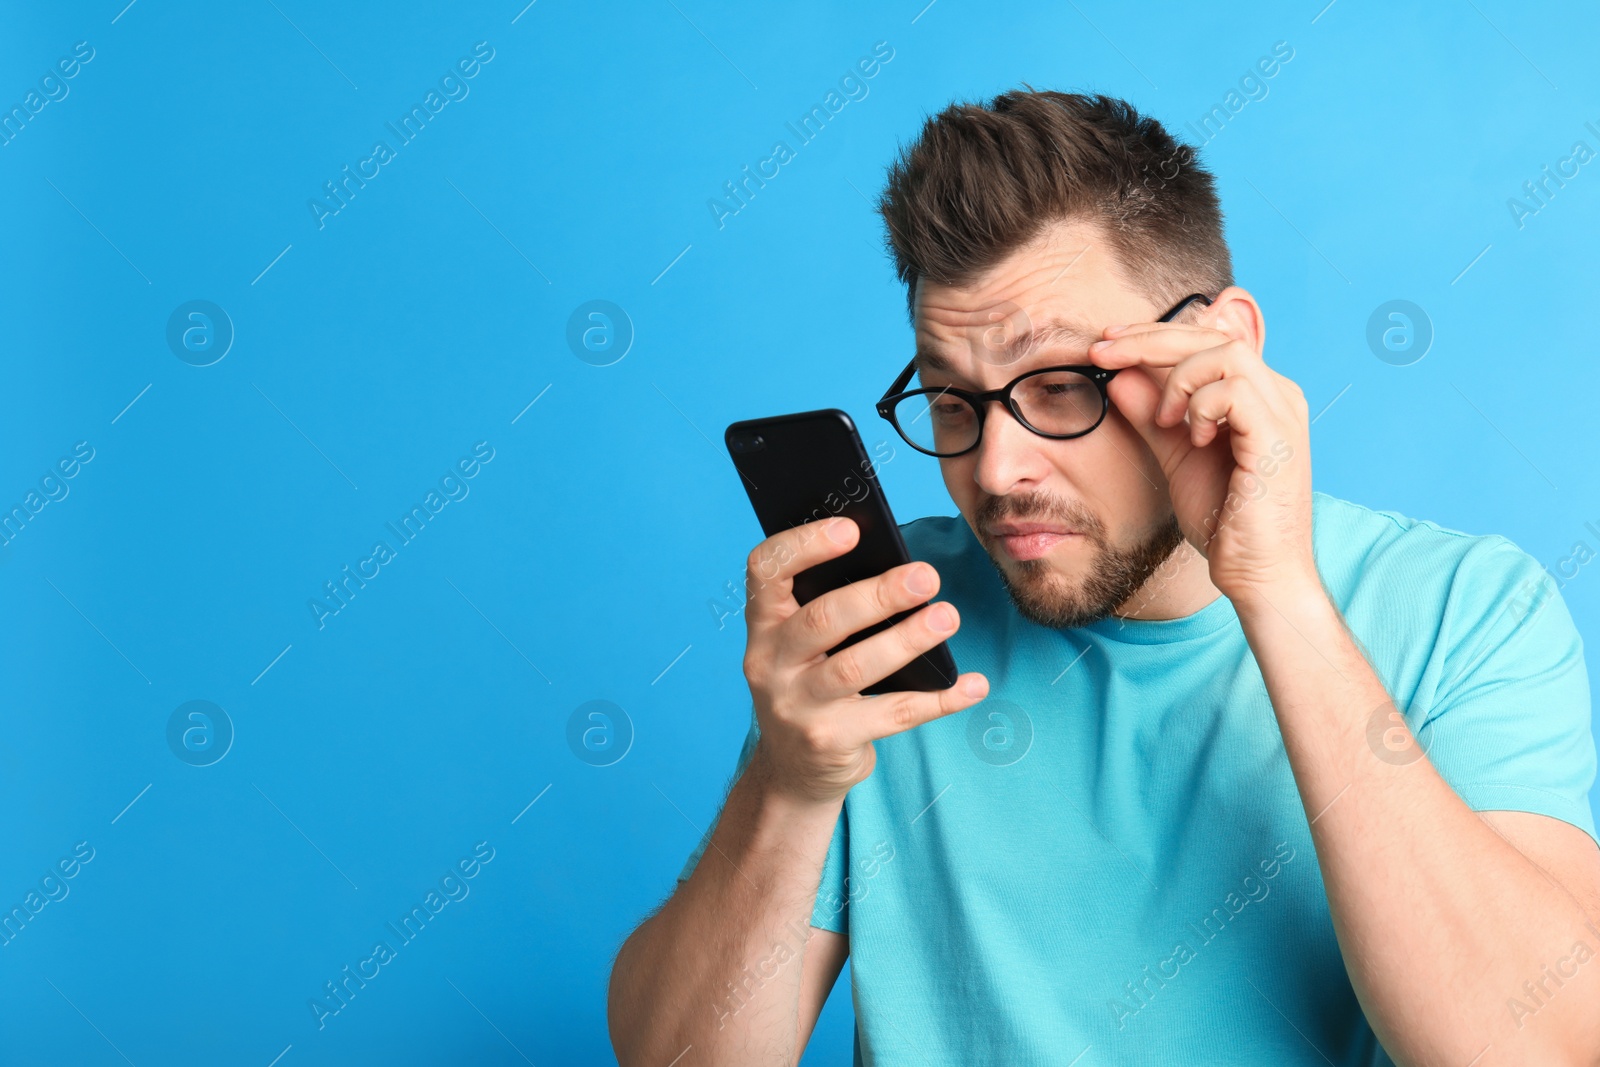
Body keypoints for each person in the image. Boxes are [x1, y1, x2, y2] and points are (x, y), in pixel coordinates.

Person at [607, 90, 1600, 1066]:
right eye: (953, 402)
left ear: (1223, 348)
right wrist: (788, 781)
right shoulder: (884, 626)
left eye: (1059, 387)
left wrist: (1276, 591)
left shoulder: (1465, 609)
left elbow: (1538, 1047)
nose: (995, 471)